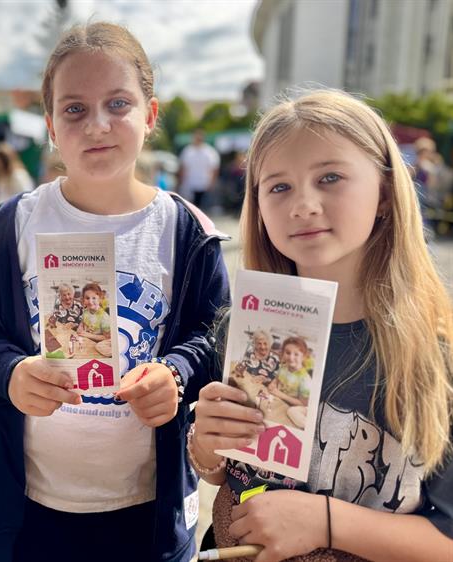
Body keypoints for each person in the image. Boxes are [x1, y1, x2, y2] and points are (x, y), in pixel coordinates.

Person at [0, 22, 230, 562]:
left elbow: (215, 340)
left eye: (118, 104)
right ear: (51, 127)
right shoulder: (9, 225)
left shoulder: (188, 233)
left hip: (147, 512)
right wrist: (10, 373)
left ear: (150, 116)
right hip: (30, 508)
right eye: (75, 108)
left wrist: (175, 374)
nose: (97, 124)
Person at [190, 90, 453, 561]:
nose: (303, 205)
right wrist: (206, 448)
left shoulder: (438, 356)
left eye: (329, 178)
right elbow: (228, 472)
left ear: (384, 194)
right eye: (278, 187)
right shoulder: (243, 332)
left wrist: (327, 522)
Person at [267, 336, 311, 429]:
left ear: (303, 356)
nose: (291, 357)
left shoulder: (305, 379)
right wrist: (273, 384)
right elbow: (277, 379)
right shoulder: (284, 367)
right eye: (287, 353)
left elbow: (303, 404)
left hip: (296, 408)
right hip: (280, 402)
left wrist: (280, 394)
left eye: (296, 354)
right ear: (283, 353)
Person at [178, 129, 220, 212]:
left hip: (204, 184)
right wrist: (181, 181)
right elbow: (183, 167)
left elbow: (214, 168)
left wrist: (212, 182)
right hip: (190, 184)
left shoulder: (209, 152)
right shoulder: (188, 151)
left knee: (202, 208)